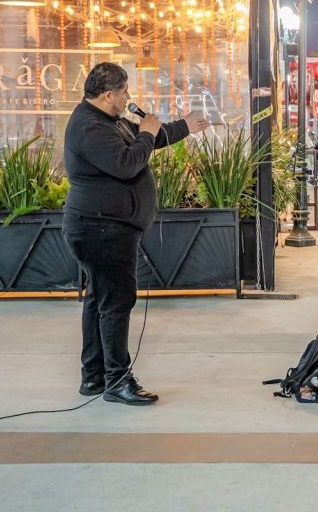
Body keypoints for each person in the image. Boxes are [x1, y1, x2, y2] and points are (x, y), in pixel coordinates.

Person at [63, 62, 209, 406]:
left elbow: (150, 138)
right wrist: (145, 132)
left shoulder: (108, 121)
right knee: (115, 302)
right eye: (124, 91)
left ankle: (94, 377)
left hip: (107, 226)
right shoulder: (88, 127)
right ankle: (117, 380)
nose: (129, 97)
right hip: (101, 228)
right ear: (109, 94)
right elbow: (128, 163)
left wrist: (182, 127)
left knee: (100, 300)